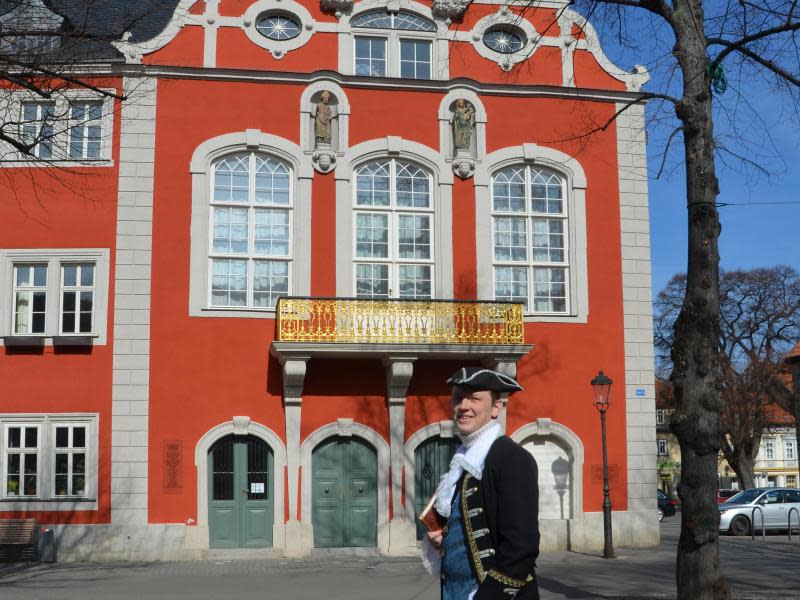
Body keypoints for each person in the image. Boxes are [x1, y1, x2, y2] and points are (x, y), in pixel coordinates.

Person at [423, 367, 540, 600]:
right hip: (455, 591)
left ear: (496, 407)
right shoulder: (464, 460)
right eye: (457, 398)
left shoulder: (511, 458)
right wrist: (447, 538)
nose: (463, 406)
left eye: (474, 398)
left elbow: (521, 549)